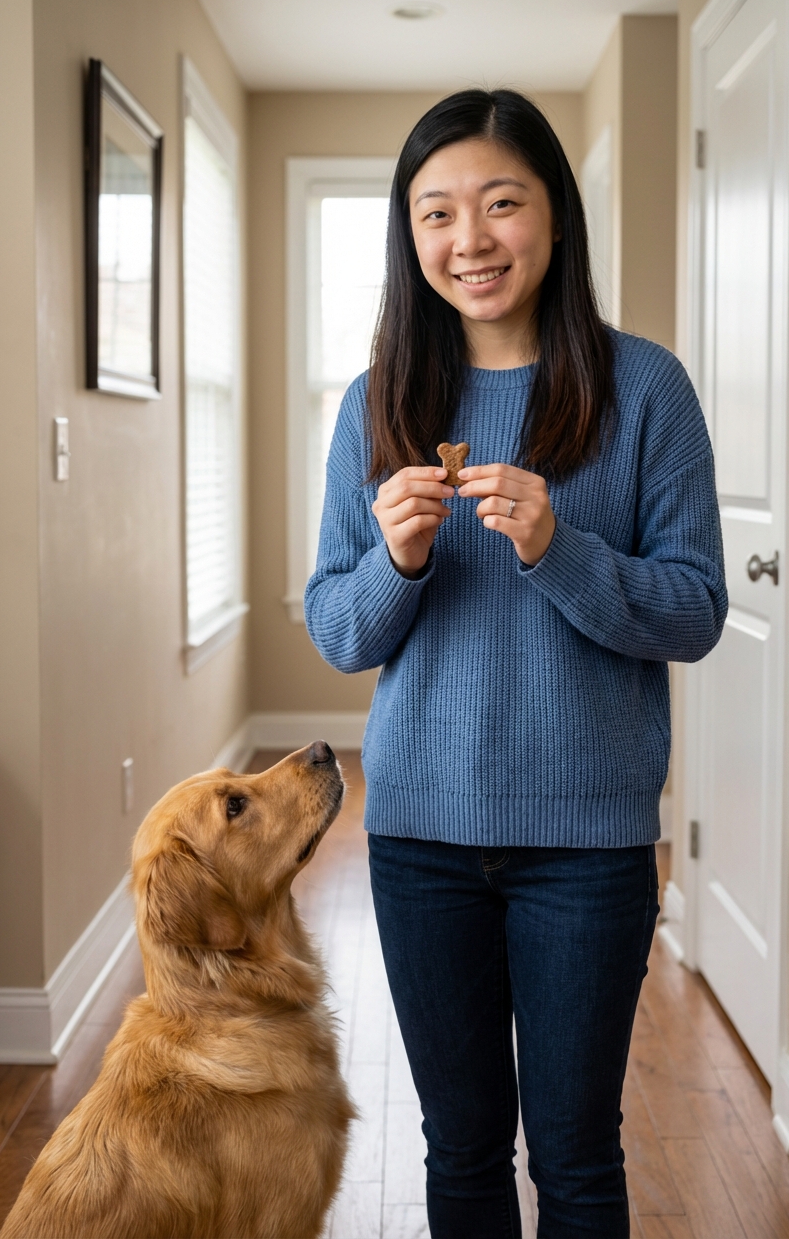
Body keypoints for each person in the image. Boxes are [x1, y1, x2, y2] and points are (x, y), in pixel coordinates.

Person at [305, 89, 726, 1239]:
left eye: (499, 203)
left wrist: (558, 547)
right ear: (410, 236)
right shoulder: (376, 402)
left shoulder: (645, 391)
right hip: (418, 840)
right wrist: (392, 561)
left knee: (578, 1153)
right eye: (435, 212)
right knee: (462, 1150)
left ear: (553, 214)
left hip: (586, 848)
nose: (469, 239)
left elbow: (692, 612)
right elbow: (338, 631)